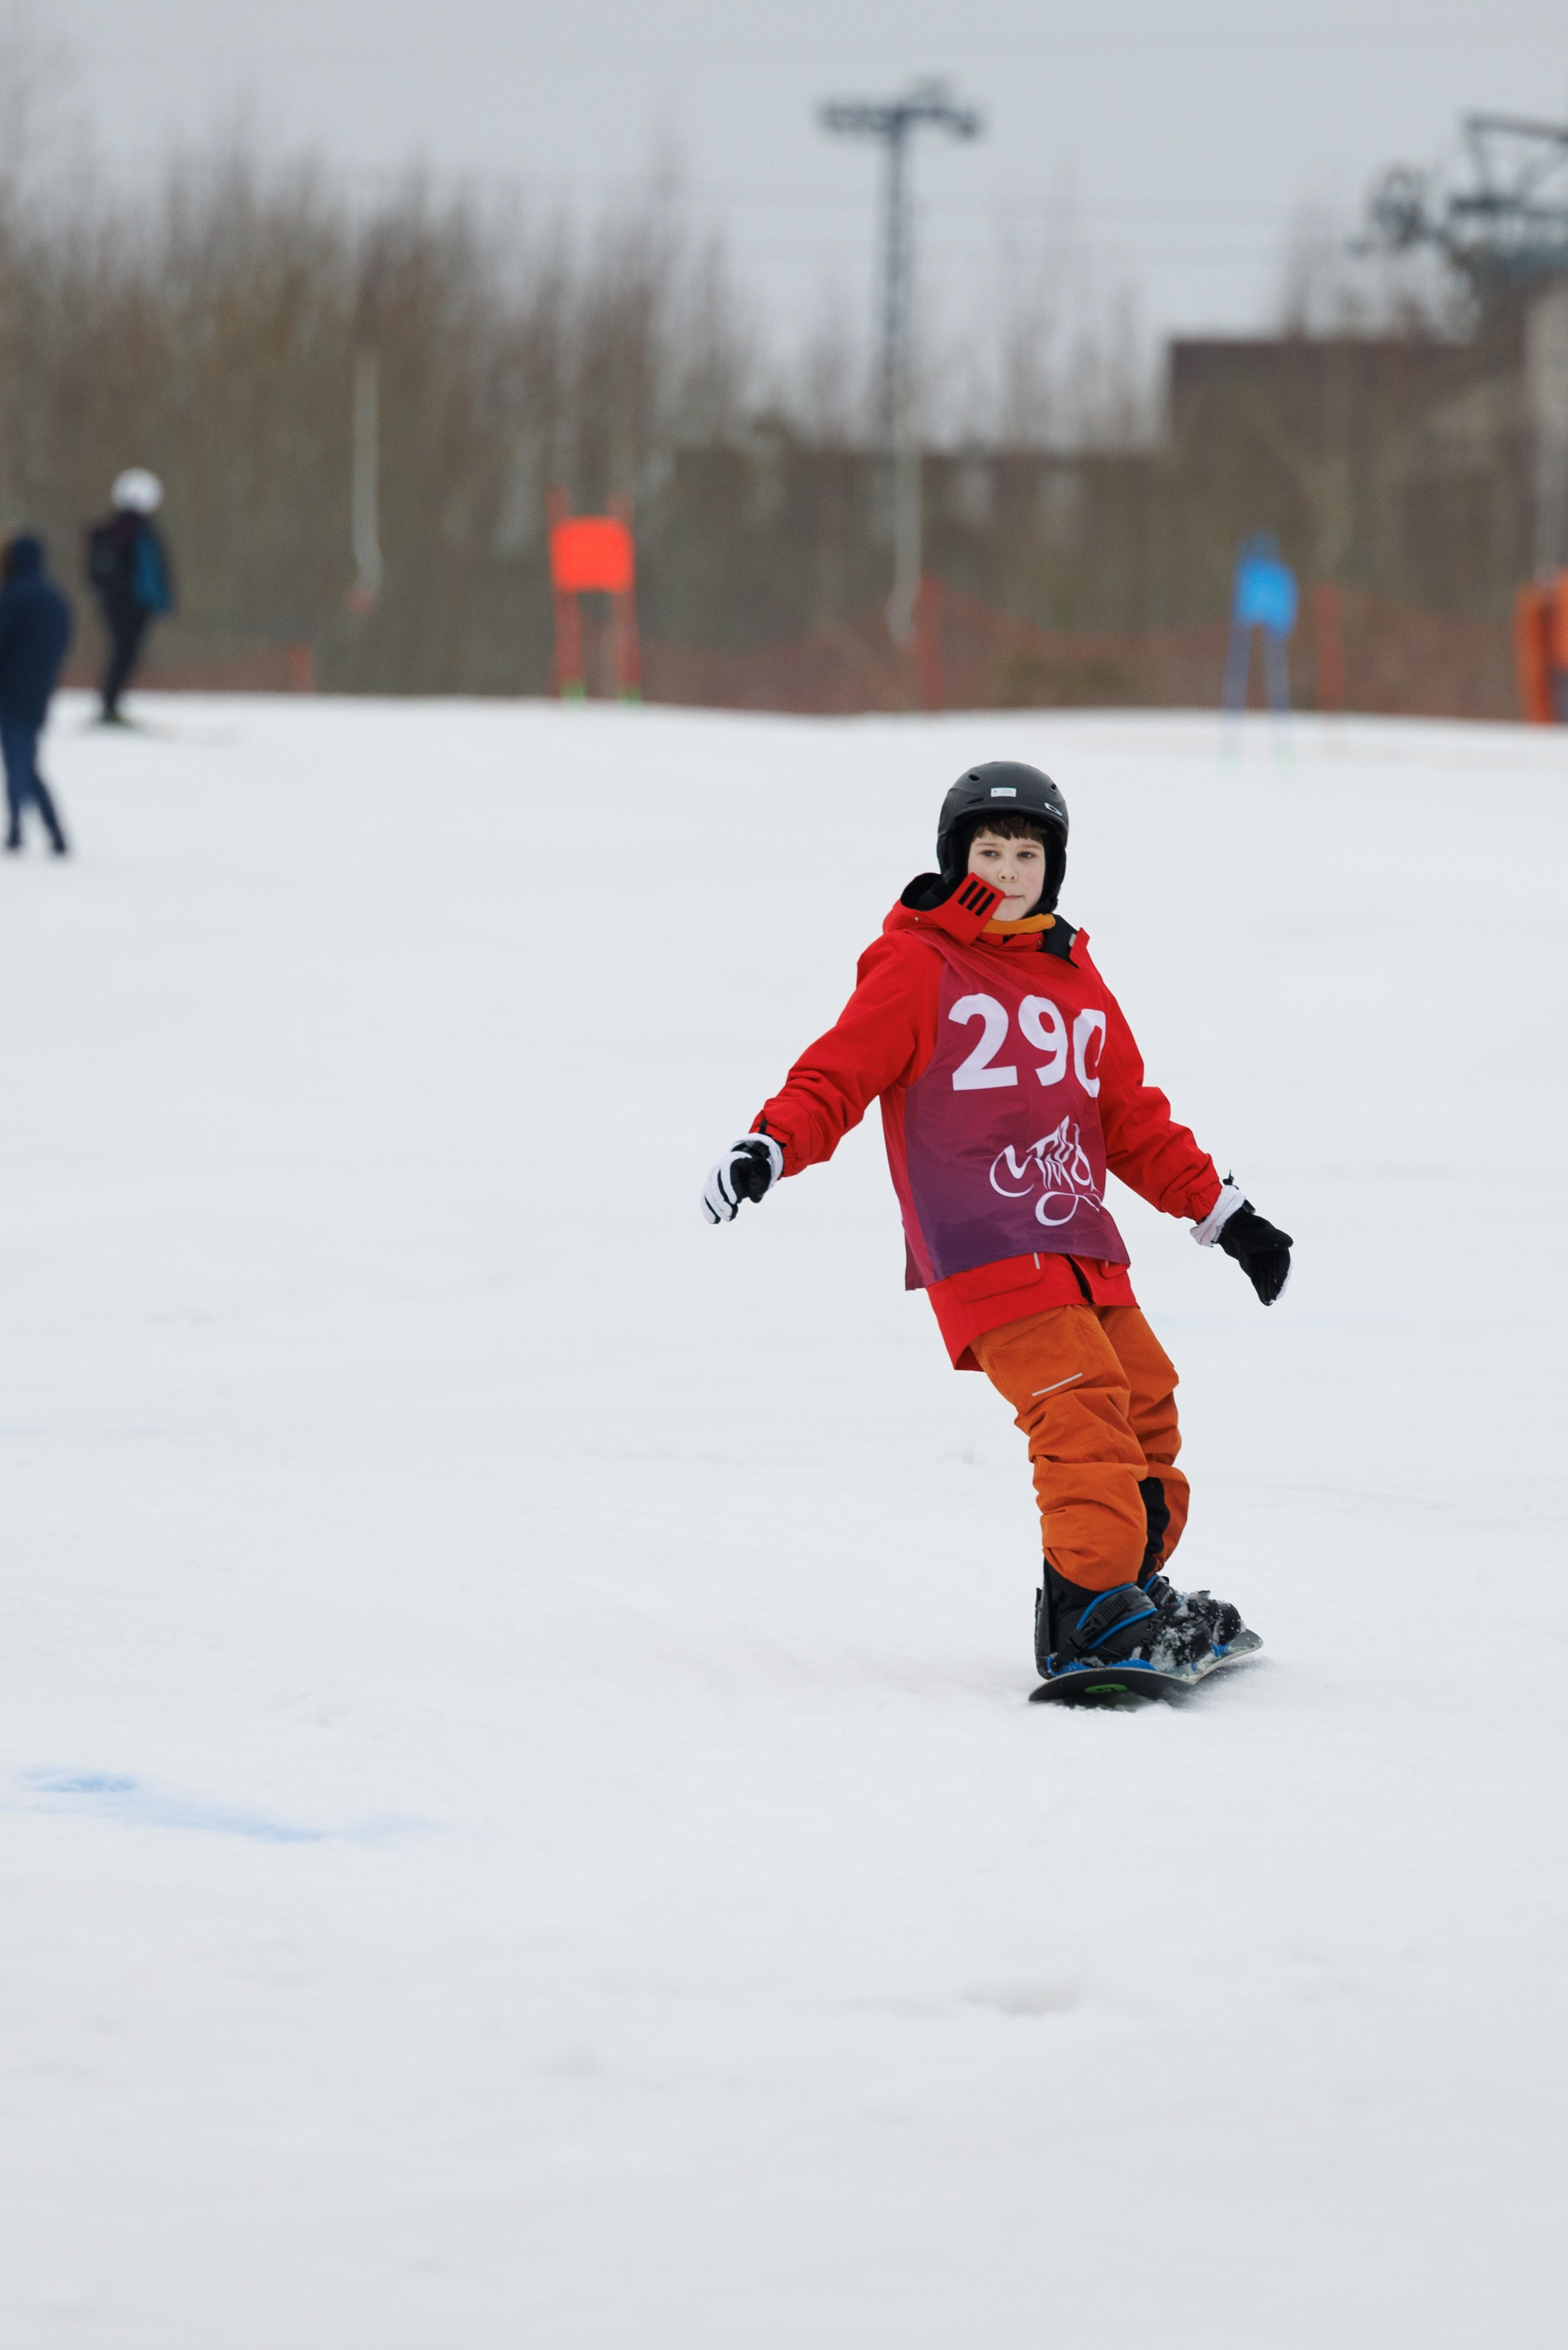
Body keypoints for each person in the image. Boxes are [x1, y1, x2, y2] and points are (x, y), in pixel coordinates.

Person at [701, 761, 1293, 1688]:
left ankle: (1127, 1588)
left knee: (1144, 1405)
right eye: (988, 851)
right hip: (983, 1239)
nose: (1009, 871)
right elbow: (839, 1071)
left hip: (1079, 1239)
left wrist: (1225, 1215)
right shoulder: (919, 963)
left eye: (1026, 854)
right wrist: (770, 1144)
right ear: (955, 857)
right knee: (1080, 1410)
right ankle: (1085, 1614)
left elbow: (1128, 1115)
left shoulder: (1071, 973)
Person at [0, 533, 72, 855]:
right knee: (26, 763)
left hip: (10, 692)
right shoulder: (56, 598)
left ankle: (17, 832)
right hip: (40, 692)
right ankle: (53, 833)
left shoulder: (12, 596)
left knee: (18, 764)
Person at [84, 468, 174, 723]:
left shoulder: (133, 530)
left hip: (133, 603)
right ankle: (109, 704)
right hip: (128, 604)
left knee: (127, 653)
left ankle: (111, 703)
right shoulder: (126, 530)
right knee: (125, 652)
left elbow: (154, 570)